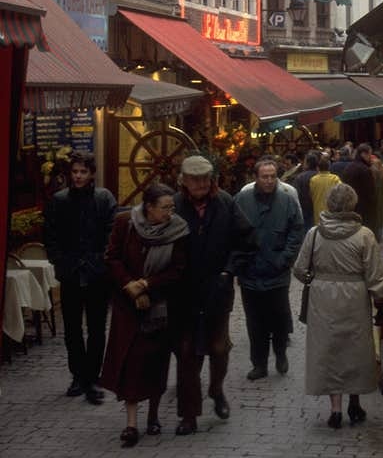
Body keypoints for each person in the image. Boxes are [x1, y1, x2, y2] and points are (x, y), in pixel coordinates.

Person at [293, 183, 383, 429]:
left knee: (328, 350)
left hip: (322, 297)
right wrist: (382, 301)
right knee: (354, 348)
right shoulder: (364, 235)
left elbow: (300, 269)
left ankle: (335, 409)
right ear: (352, 204)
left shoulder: (314, 233)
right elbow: (375, 276)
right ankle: (354, 403)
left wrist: (315, 279)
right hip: (354, 297)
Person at [171, 154, 256, 435]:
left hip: (217, 289)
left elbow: (246, 240)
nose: (201, 184)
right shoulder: (173, 206)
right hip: (183, 291)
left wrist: (229, 271)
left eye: (205, 179)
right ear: (184, 181)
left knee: (218, 347)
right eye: (195, 180)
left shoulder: (225, 203)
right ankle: (189, 414)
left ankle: (216, 389)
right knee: (186, 353)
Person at [100, 183, 189, 447]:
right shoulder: (125, 222)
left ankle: (153, 415)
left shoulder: (178, 230)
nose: (170, 213)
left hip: (160, 306)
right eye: (165, 208)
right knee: (131, 364)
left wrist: (148, 285)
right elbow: (112, 257)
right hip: (128, 305)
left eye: (172, 207)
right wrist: (131, 286)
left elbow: (178, 269)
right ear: (148, 208)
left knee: (155, 361)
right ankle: (131, 424)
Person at [44, 152, 116, 405]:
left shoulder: (104, 198)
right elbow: (50, 236)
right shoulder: (59, 200)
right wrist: (61, 262)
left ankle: (93, 377)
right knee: (72, 329)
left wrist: (100, 262)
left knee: (96, 328)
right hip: (71, 272)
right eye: (75, 171)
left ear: (91, 173)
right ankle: (77, 375)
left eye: (83, 172)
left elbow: (111, 233)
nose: (78, 176)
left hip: (97, 273)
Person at [233, 155, 304, 380]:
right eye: (264, 177)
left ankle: (280, 353)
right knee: (255, 323)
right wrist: (239, 260)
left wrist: (285, 258)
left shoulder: (287, 199)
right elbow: (232, 231)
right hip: (250, 272)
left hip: (277, 272)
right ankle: (259, 364)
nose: (269, 181)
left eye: (273, 176)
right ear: (256, 178)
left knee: (280, 319)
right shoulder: (242, 199)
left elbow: (296, 230)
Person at [341, 142, 379, 239]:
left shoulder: (348, 167)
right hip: (364, 210)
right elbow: (370, 192)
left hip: (349, 208)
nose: (370, 157)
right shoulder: (365, 170)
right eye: (369, 154)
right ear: (363, 154)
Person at [293, 150, 320, 235]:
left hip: (304, 209)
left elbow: (296, 195)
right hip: (318, 208)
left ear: (307, 163)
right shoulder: (319, 176)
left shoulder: (300, 177)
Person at [309, 156, 340, 224]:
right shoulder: (335, 178)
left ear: (318, 168)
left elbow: (311, 194)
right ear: (329, 167)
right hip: (331, 211)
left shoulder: (313, 179)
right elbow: (340, 193)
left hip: (318, 211)